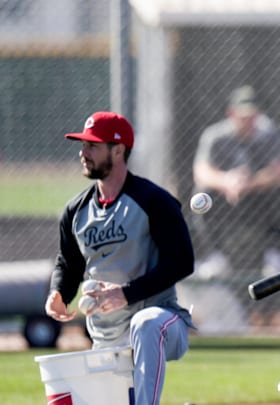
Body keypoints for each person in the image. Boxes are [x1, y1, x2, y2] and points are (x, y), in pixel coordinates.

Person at [45, 111, 196, 405]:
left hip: (163, 321)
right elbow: (68, 262)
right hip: (107, 334)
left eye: (93, 146)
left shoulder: (153, 200)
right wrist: (58, 292)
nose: (83, 152)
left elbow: (182, 262)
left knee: (145, 322)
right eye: (83, 145)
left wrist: (126, 294)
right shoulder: (76, 211)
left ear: (118, 150)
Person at [192, 85, 280, 277]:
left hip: (258, 197)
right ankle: (215, 256)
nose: (248, 121)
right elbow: (201, 172)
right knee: (201, 196)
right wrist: (227, 181)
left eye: (252, 116)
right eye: (243, 116)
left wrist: (251, 183)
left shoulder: (269, 133)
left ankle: (273, 254)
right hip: (227, 198)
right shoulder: (215, 135)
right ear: (231, 113)